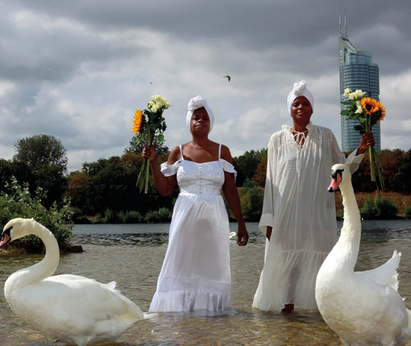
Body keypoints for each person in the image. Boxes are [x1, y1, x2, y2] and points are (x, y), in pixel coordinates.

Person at [252, 80, 374, 313]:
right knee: (287, 266)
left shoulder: (325, 136)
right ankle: (287, 310)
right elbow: (271, 181)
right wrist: (269, 218)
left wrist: (359, 150)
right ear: (290, 109)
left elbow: (342, 169)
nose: (301, 107)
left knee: (320, 264)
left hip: (317, 213)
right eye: (296, 103)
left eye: (305, 104)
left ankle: (319, 312)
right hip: (285, 215)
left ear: (312, 109)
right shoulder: (276, 139)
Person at [143, 95, 249, 313]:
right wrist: (154, 163)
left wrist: (241, 223)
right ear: (188, 122)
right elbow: (165, 190)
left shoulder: (222, 151)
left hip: (214, 217)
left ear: (211, 123)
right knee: (180, 263)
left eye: (205, 118)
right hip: (185, 216)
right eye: (196, 117)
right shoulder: (178, 152)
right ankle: (176, 314)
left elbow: (229, 190)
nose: (201, 121)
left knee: (212, 266)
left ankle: (209, 316)